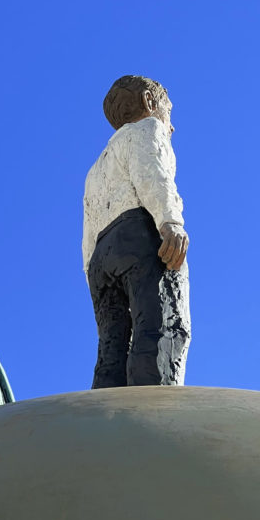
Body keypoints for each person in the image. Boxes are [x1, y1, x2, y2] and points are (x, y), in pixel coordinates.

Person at [83, 75, 191, 388]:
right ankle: (156, 409)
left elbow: (89, 226)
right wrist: (170, 222)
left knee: (111, 348)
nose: (171, 126)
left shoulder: (95, 169)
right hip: (139, 236)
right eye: (169, 113)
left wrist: (91, 274)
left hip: (100, 259)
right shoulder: (148, 129)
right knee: (163, 325)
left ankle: (105, 418)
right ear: (149, 102)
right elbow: (152, 174)